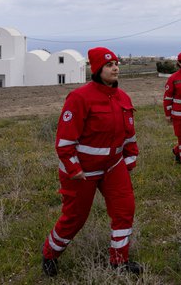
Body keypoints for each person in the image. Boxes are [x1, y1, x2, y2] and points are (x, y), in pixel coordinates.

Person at [41, 47, 142, 276]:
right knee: (75, 218)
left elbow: (130, 134)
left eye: (116, 63)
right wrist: (74, 168)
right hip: (82, 172)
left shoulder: (123, 97)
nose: (115, 67)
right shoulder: (79, 98)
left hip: (113, 166)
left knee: (125, 211)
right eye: (109, 64)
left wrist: (130, 157)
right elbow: (65, 140)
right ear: (97, 69)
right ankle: (50, 253)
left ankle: (119, 261)